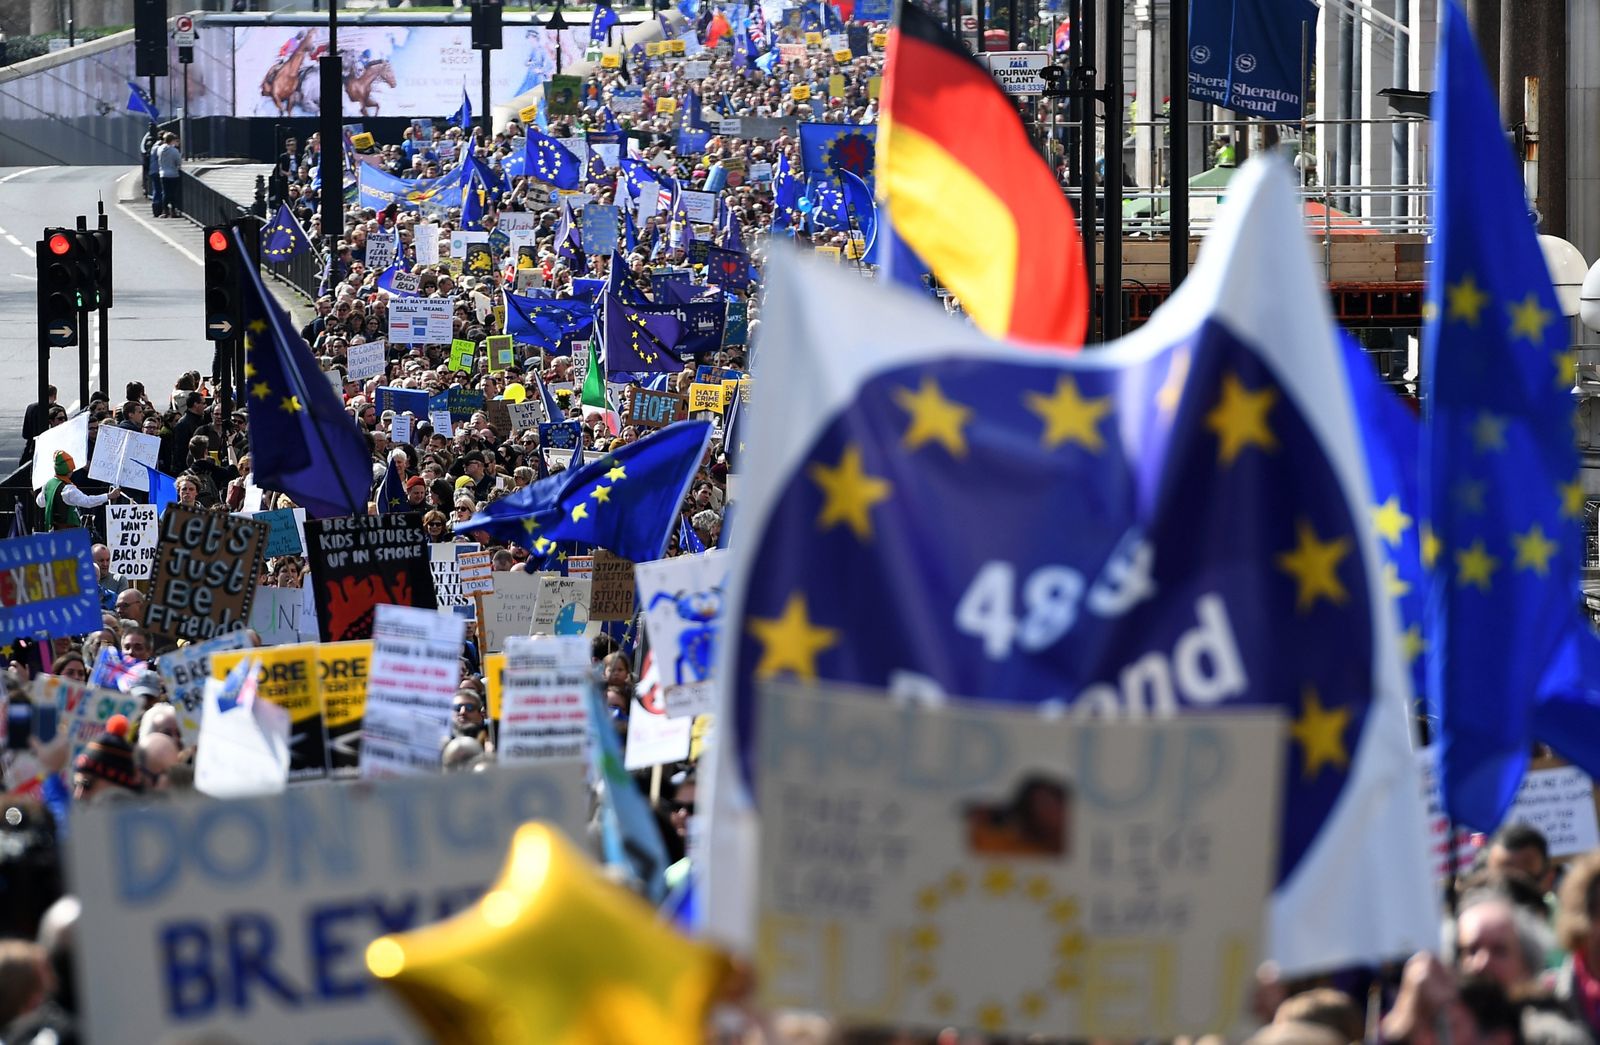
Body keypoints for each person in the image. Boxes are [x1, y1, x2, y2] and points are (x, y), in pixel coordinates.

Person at [36, 453, 117, 531]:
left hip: (51, 531)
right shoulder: (68, 489)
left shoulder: (48, 485)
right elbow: (87, 502)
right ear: (69, 471)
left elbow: (40, 502)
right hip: (68, 533)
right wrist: (108, 496)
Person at [155, 132, 183, 217]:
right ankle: (173, 211)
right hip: (173, 174)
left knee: (165, 193)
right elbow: (178, 162)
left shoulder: (159, 149)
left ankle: (165, 211)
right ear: (172, 140)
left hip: (163, 173)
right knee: (173, 193)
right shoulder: (174, 151)